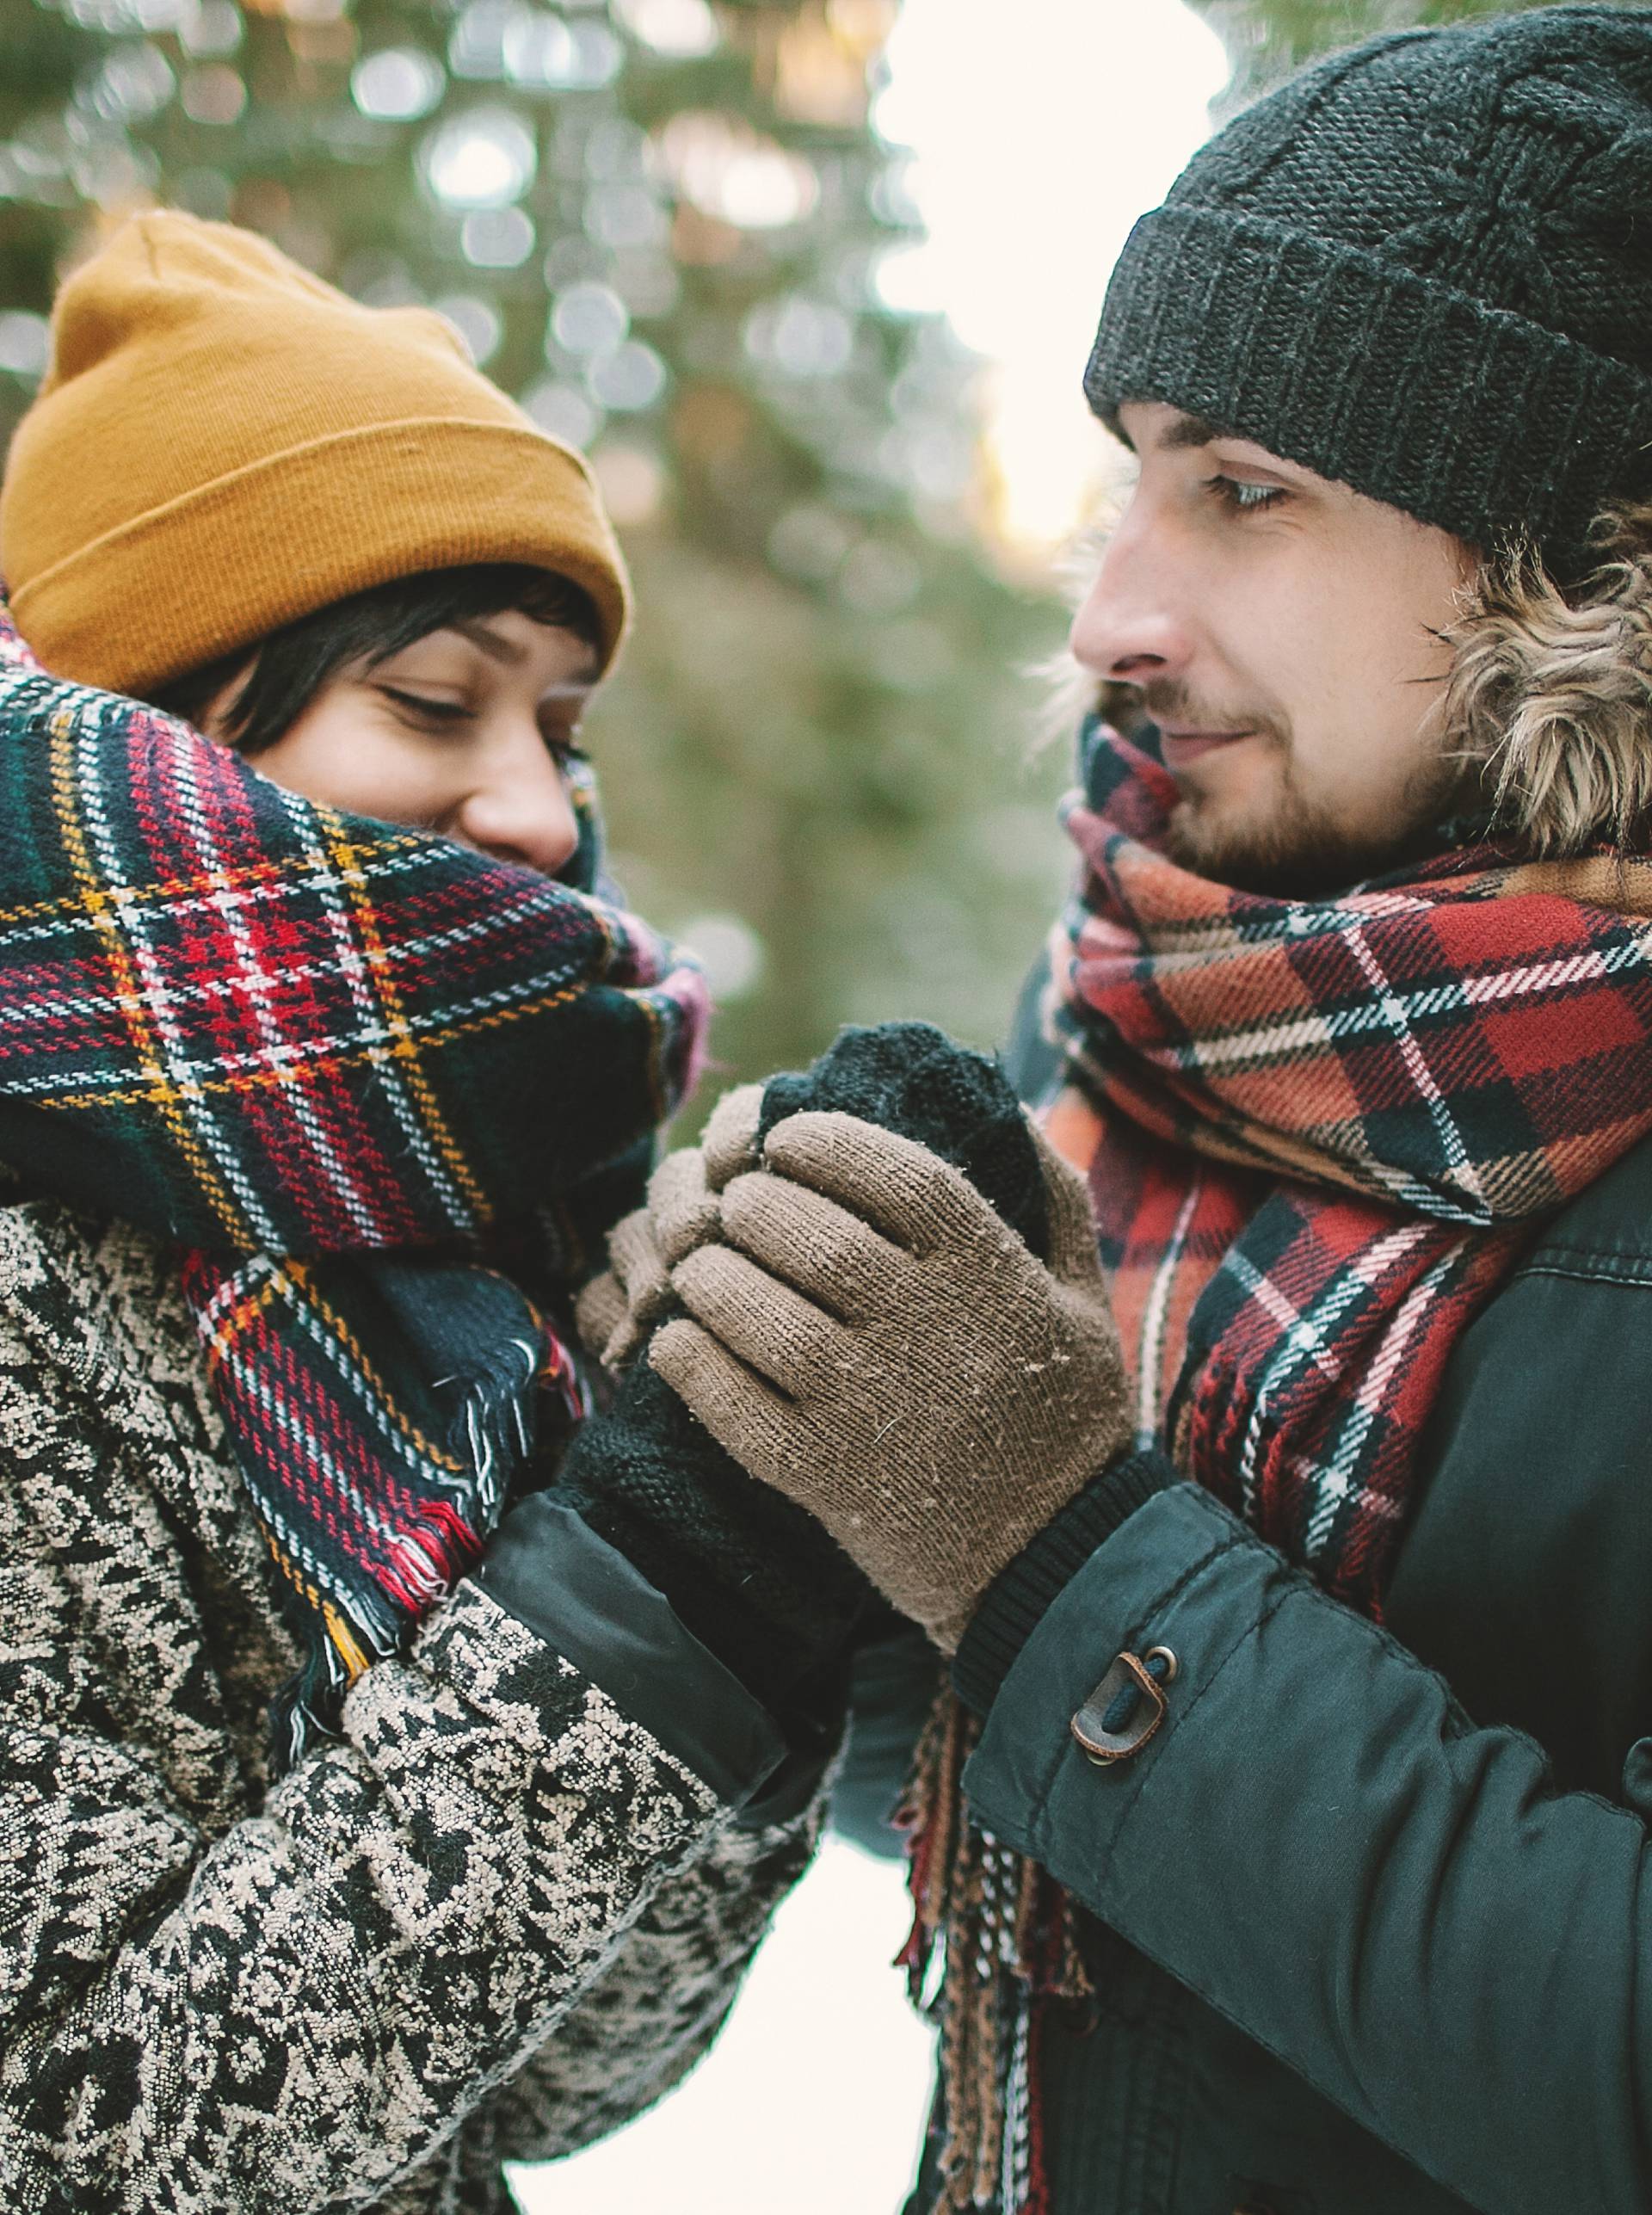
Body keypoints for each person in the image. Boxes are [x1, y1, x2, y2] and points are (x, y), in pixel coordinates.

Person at [625, 9, 1652, 2211]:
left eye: (1246, 490)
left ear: (1588, 552)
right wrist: (814, 1470)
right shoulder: (1156, 994)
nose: (1109, 614)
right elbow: (1030, 1826)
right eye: (1133, 478)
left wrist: (1057, 1547)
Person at [0, 211, 872, 2212]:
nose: (550, 815)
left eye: (561, 728)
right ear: (157, 732)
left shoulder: (466, 1240)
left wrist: (734, 1561)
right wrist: (641, 1603)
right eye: (434, 702)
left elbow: (552, 2087)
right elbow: (72, 2155)